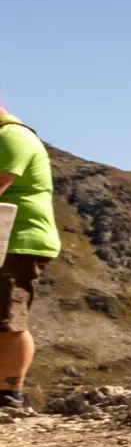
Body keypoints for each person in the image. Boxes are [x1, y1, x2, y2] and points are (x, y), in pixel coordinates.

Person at [0, 101, 60, 411]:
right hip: (7, 238)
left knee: (9, 318)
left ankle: (10, 395)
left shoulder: (12, 137)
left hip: (18, 239)